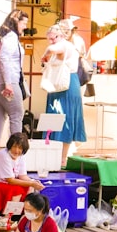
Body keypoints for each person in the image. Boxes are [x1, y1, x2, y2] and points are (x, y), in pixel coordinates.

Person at [42, 24, 86, 167]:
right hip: (58, 86)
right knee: (54, 120)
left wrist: (45, 55)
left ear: (60, 36)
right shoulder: (65, 46)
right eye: (48, 39)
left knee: (64, 119)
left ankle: (62, 158)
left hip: (66, 86)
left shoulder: (65, 45)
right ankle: (54, 156)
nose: (51, 41)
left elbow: (51, 49)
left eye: (53, 38)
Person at [0, 9, 29, 153]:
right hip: (6, 81)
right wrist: (8, 83)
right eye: (24, 23)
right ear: (17, 21)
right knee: (17, 114)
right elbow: (5, 59)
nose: (25, 27)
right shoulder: (11, 36)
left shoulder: (1, 35)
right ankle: (15, 151)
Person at [0, 133, 44, 215]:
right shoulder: (3, 155)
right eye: (14, 146)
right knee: (16, 190)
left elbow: (22, 176)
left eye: (20, 148)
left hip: (3, 181)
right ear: (10, 146)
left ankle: (25, 215)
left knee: (29, 188)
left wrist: (33, 182)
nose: (16, 150)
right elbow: (10, 180)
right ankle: (7, 218)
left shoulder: (21, 156)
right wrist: (31, 183)